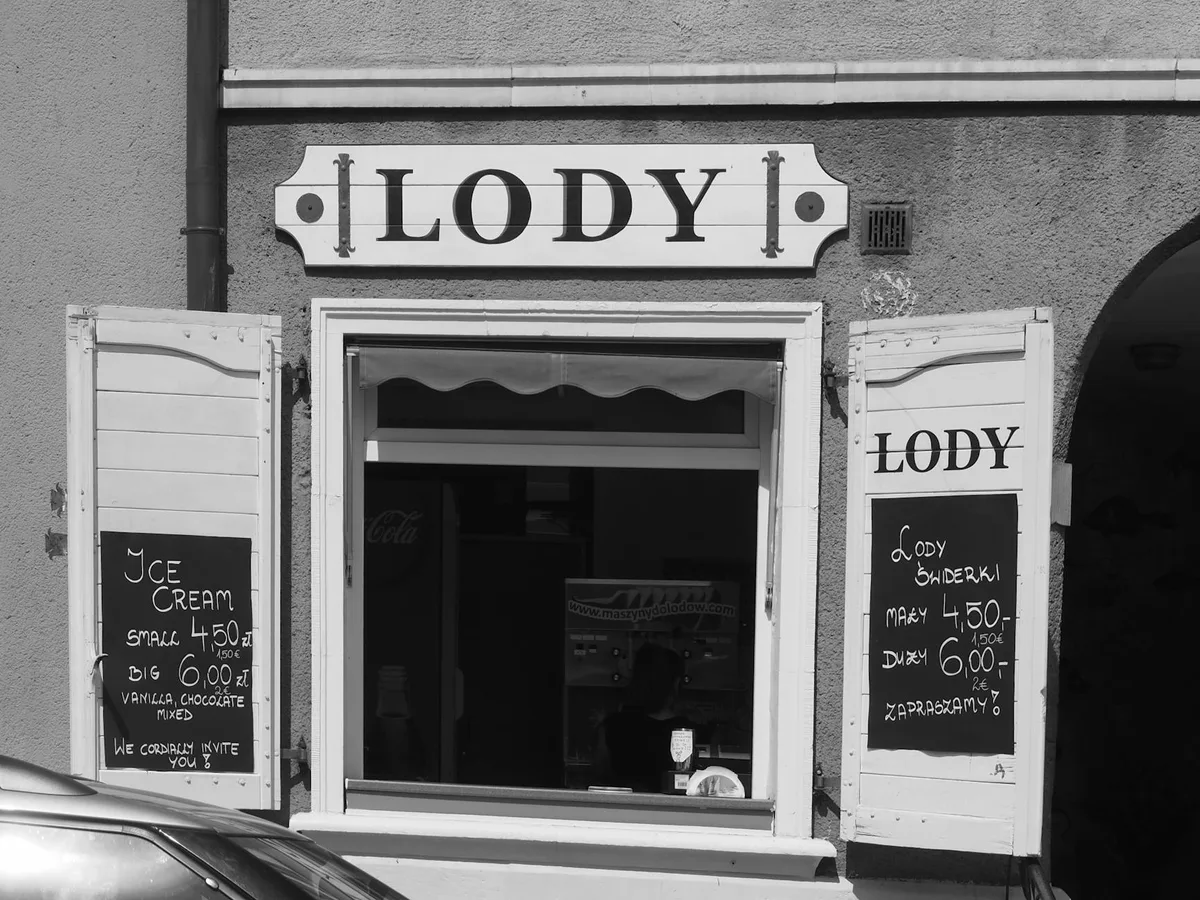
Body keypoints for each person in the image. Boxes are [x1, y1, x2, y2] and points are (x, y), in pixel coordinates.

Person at [593, 643, 703, 792]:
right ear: (676, 684)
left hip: (620, 809)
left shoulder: (611, 726)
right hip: (674, 811)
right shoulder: (687, 732)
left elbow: (599, 777)